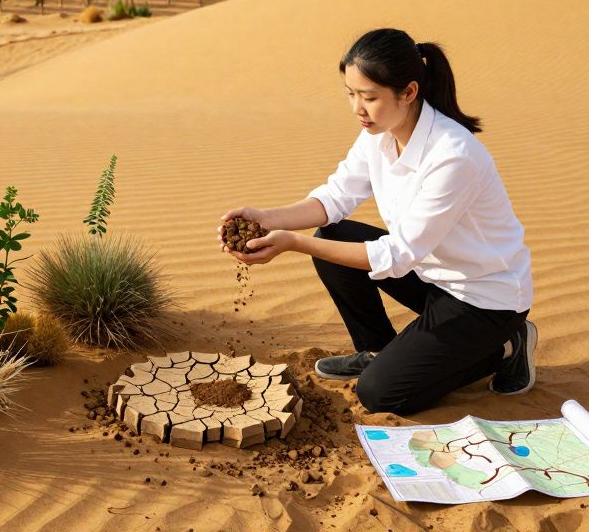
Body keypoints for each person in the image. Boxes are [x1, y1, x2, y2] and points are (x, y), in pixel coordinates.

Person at [217, 28, 535, 416]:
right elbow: (335, 198)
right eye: (351, 94)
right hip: (432, 276)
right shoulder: (378, 134)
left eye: (369, 97)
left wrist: (294, 243)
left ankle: (503, 348)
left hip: (484, 299)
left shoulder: (454, 156)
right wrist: (266, 218)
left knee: (381, 393)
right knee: (334, 234)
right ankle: (378, 349)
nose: (357, 108)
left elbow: (398, 255)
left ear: (409, 92)